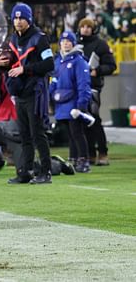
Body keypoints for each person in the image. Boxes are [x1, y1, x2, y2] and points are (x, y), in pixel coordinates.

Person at [0, 3, 54, 184]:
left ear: (29, 19)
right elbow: (11, 64)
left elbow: (49, 64)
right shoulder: (13, 39)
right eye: (16, 18)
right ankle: (26, 171)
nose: (18, 21)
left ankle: (46, 172)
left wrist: (25, 69)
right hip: (20, 93)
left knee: (38, 133)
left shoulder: (40, 39)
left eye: (22, 18)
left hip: (35, 92)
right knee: (24, 134)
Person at [50, 31, 92, 173]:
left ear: (74, 43)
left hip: (74, 103)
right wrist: (50, 96)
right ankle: (73, 159)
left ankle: (83, 160)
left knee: (77, 132)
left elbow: (83, 84)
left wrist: (81, 104)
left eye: (68, 41)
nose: (65, 43)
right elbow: (54, 81)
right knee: (70, 134)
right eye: (63, 41)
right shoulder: (58, 61)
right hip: (61, 103)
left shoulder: (79, 61)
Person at [77, 18, 116, 166]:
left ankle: (103, 152)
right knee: (82, 121)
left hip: (92, 87)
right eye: (83, 26)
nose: (85, 29)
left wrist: (97, 71)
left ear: (93, 29)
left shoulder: (100, 44)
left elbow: (111, 66)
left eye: (88, 27)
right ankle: (90, 153)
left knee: (94, 119)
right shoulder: (75, 44)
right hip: (78, 87)